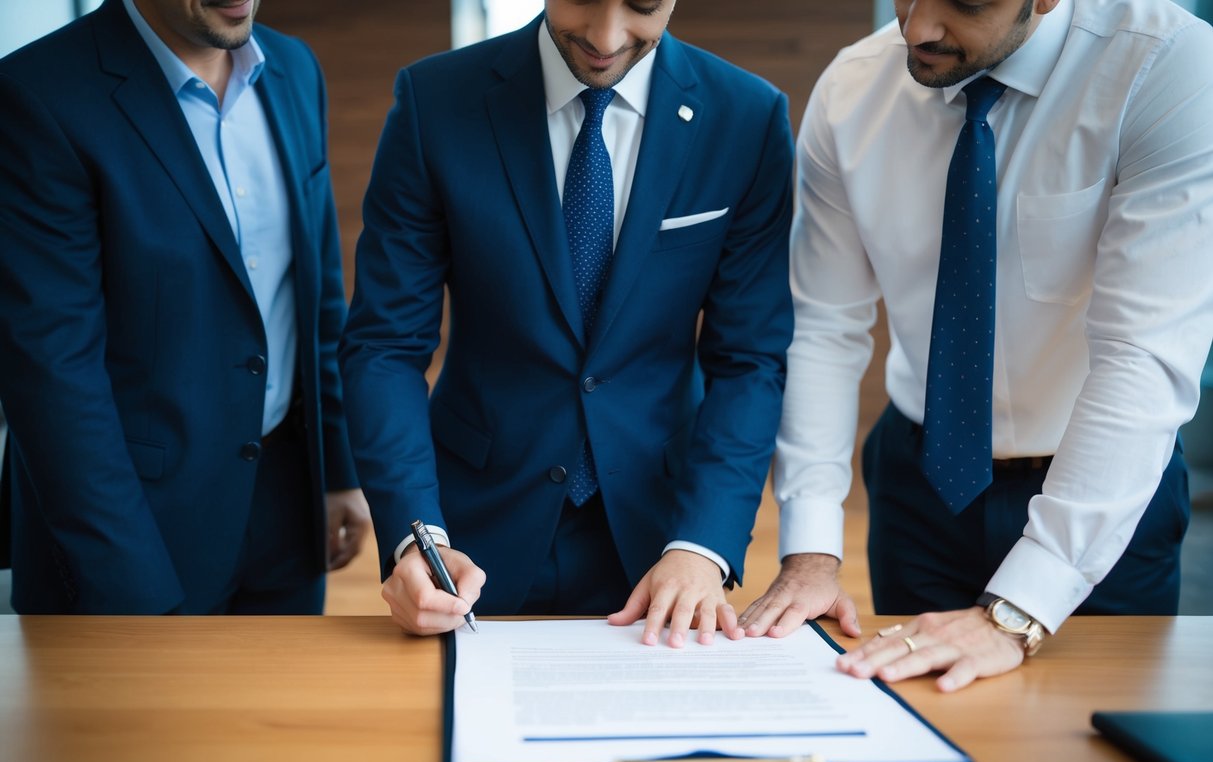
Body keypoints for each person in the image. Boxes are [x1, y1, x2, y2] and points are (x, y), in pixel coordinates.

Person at [740, 0, 1213, 689]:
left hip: (1100, 492)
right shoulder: (852, 91)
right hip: (920, 486)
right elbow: (822, 326)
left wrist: (1019, 611)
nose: (919, 28)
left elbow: (1139, 356)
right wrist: (810, 548)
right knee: (924, 738)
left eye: (963, 2)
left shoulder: (1166, 68)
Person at [340, 0, 794, 646]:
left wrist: (702, 543)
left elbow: (749, 359)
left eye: (640, 4)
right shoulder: (434, 100)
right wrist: (418, 536)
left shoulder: (745, 117)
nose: (605, 38)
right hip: (470, 534)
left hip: (661, 537)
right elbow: (386, 344)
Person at [0, 0, 371, 614]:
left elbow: (316, 293)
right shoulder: (37, 96)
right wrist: (135, 595)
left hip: (284, 508)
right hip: (134, 530)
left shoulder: (295, 68)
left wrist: (337, 468)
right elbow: (52, 380)